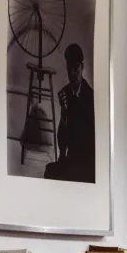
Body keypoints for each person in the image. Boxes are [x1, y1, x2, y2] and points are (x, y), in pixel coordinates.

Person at [43, 42, 95, 183]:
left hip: (88, 161)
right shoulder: (65, 93)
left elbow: (88, 135)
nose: (72, 73)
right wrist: (64, 113)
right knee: (49, 172)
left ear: (82, 67)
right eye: (69, 68)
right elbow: (63, 134)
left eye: (76, 68)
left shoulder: (91, 96)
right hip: (71, 158)